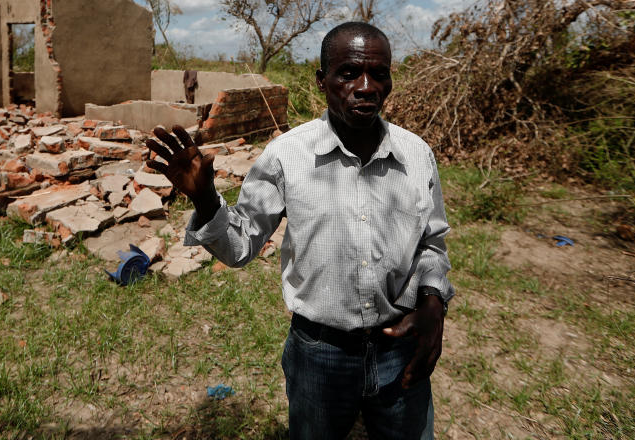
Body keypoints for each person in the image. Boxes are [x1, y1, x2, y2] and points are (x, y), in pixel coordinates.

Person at [146, 22, 454, 439]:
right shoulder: (286, 156)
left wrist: (434, 302)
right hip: (320, 355)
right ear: (322, 81)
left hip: (401, 345)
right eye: (349, 73)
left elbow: (431, 242)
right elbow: (241, 246)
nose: (366, 87)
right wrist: (204, 199)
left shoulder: (417, 155)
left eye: (379, 74)